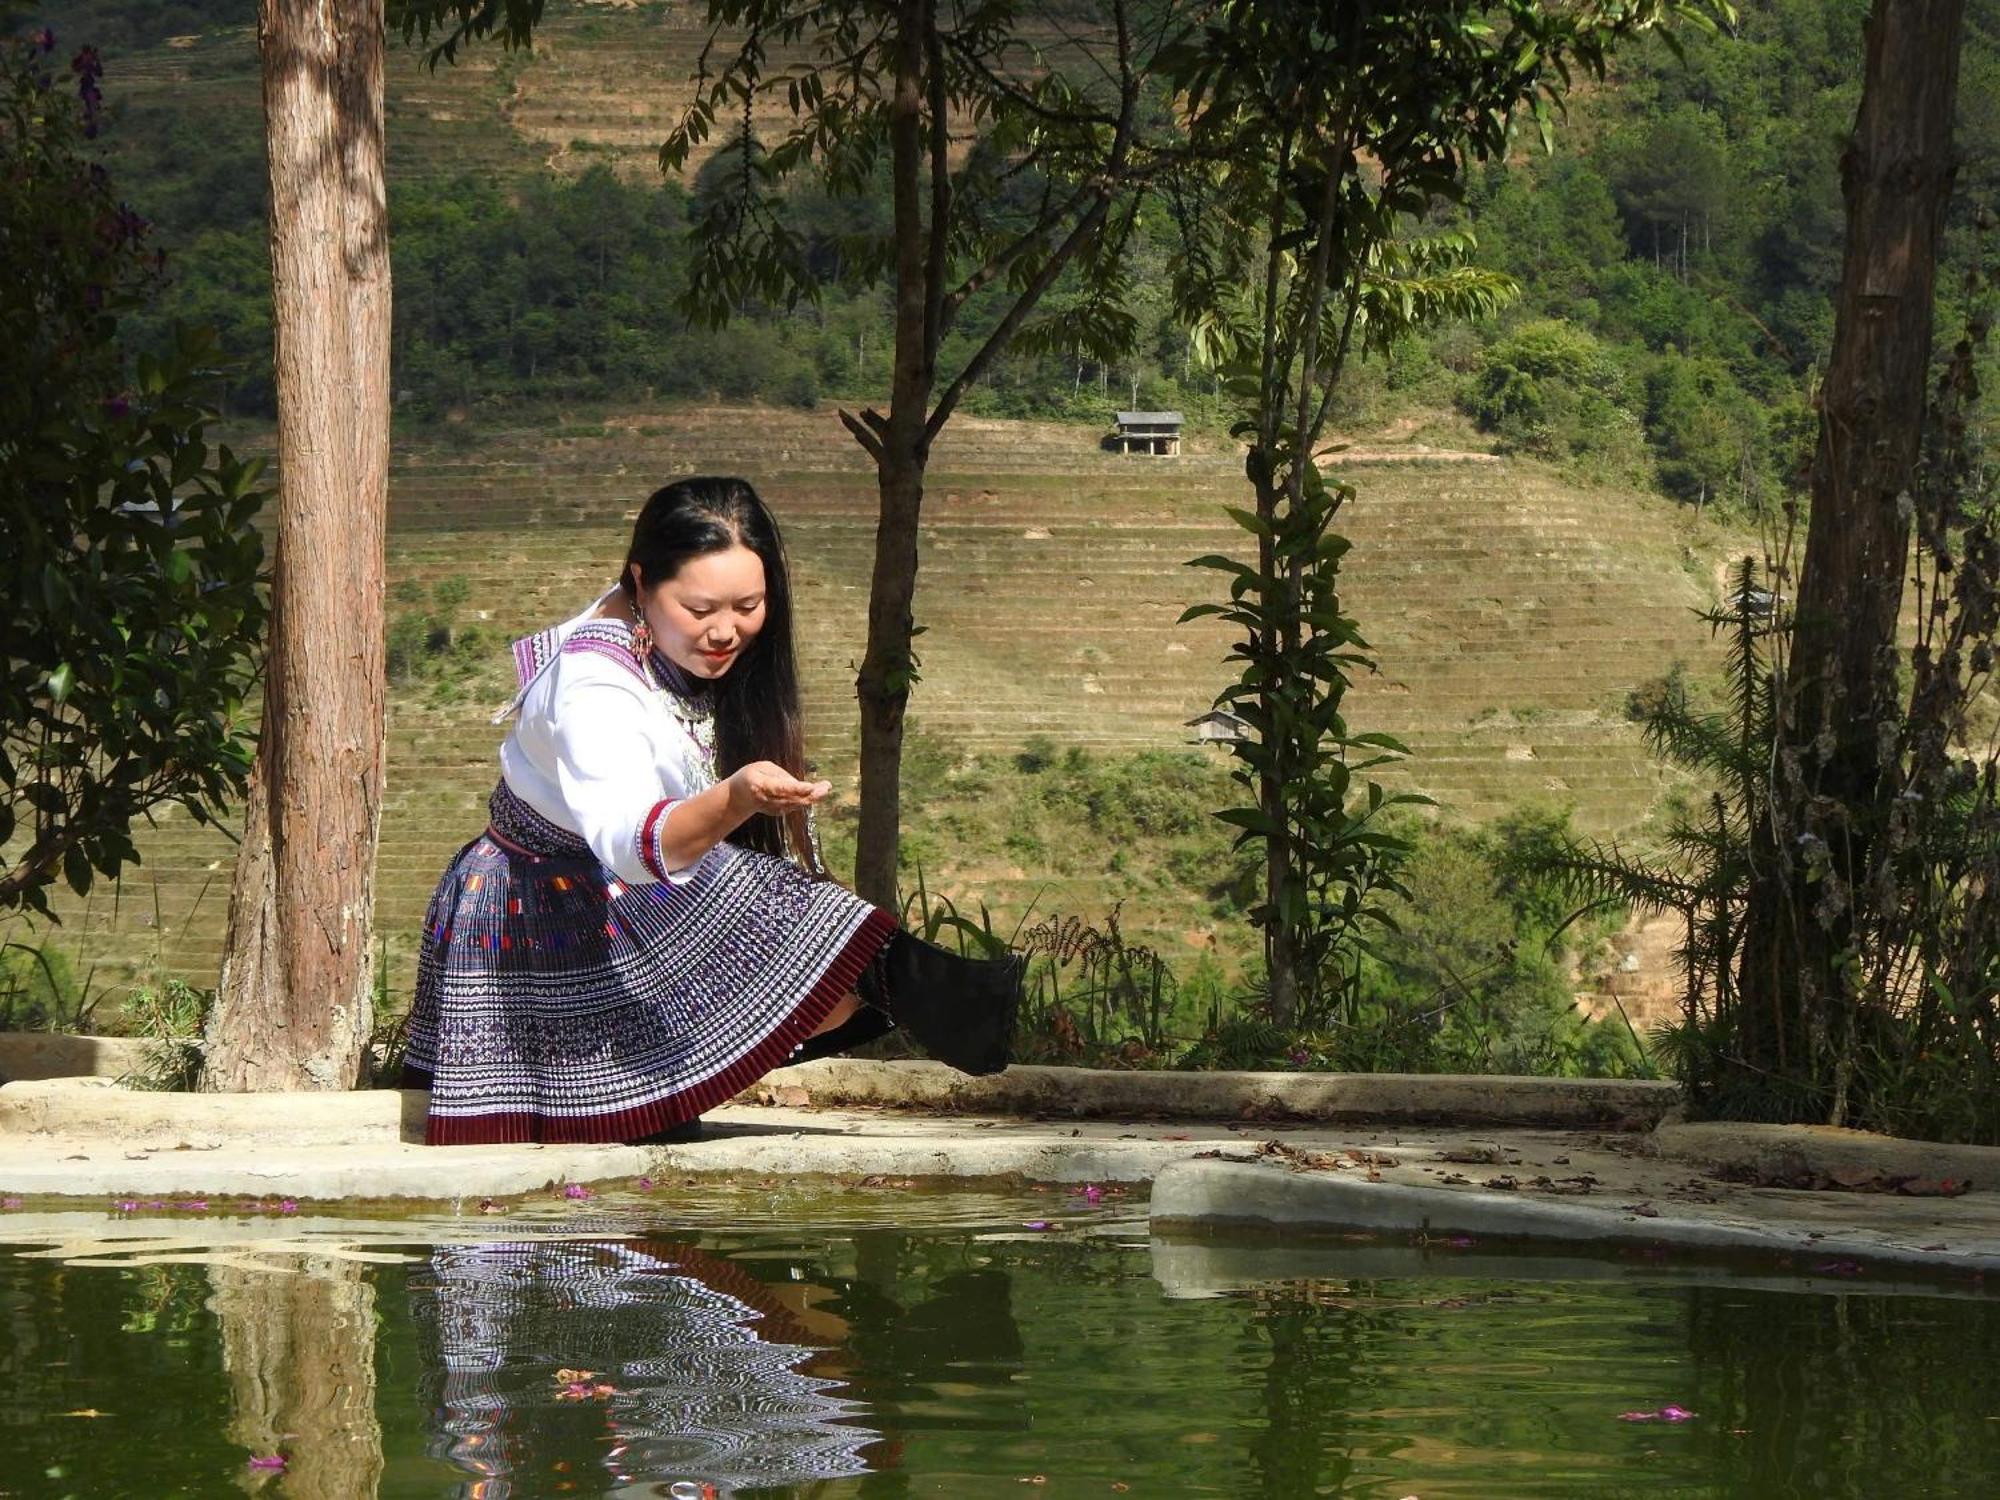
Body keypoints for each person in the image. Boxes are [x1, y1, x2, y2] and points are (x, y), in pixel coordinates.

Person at [402, 476, 1020, 1145]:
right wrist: (735, 798)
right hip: (550, 903)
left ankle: (959, 1007)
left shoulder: (647, 620)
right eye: (700, 609)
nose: (727, 631)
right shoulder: (594, 692)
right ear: (640, 582)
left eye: (749, 605)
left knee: (835, 974)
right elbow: (637, 850)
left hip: (620, 882)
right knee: (595, 1163)